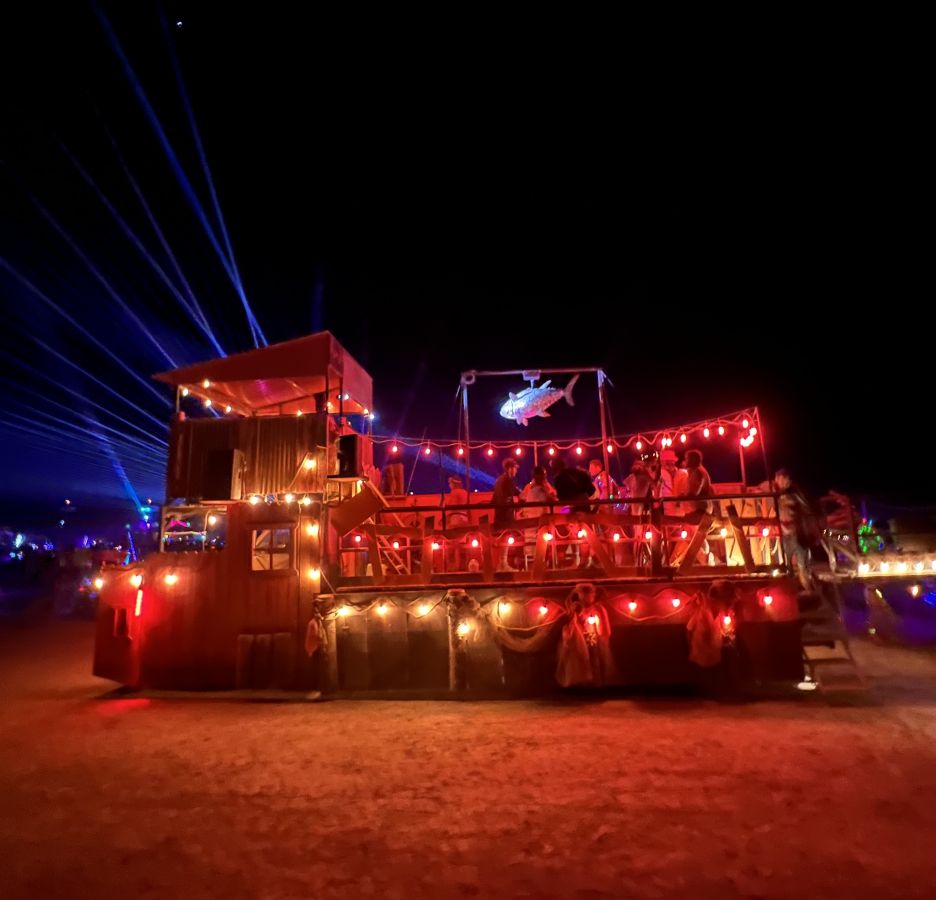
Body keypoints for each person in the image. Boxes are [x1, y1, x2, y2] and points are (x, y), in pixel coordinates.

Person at [774, 468, 814, 590]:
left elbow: (805, 508)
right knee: (788, 563)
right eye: (778, 479)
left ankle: (808, 589)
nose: (779, 482)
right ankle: (792, 588)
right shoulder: (778, 494)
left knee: (802, 565)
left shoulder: (795, 493)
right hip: (785, 533)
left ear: (787, 479)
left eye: (781, 479)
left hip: (797, 532)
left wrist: (794, 512)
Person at [493, 458, 522, 571]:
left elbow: (495, 498)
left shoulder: (499, 480)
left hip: (499, 513)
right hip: (506, 514)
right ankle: (503, 564)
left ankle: (501, 564)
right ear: (510, 468)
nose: (516, 471)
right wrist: (519, 506)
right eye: (515, 468)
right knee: (506, 537)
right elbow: (511, 496)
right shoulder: (508, 480)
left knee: (503, 538)